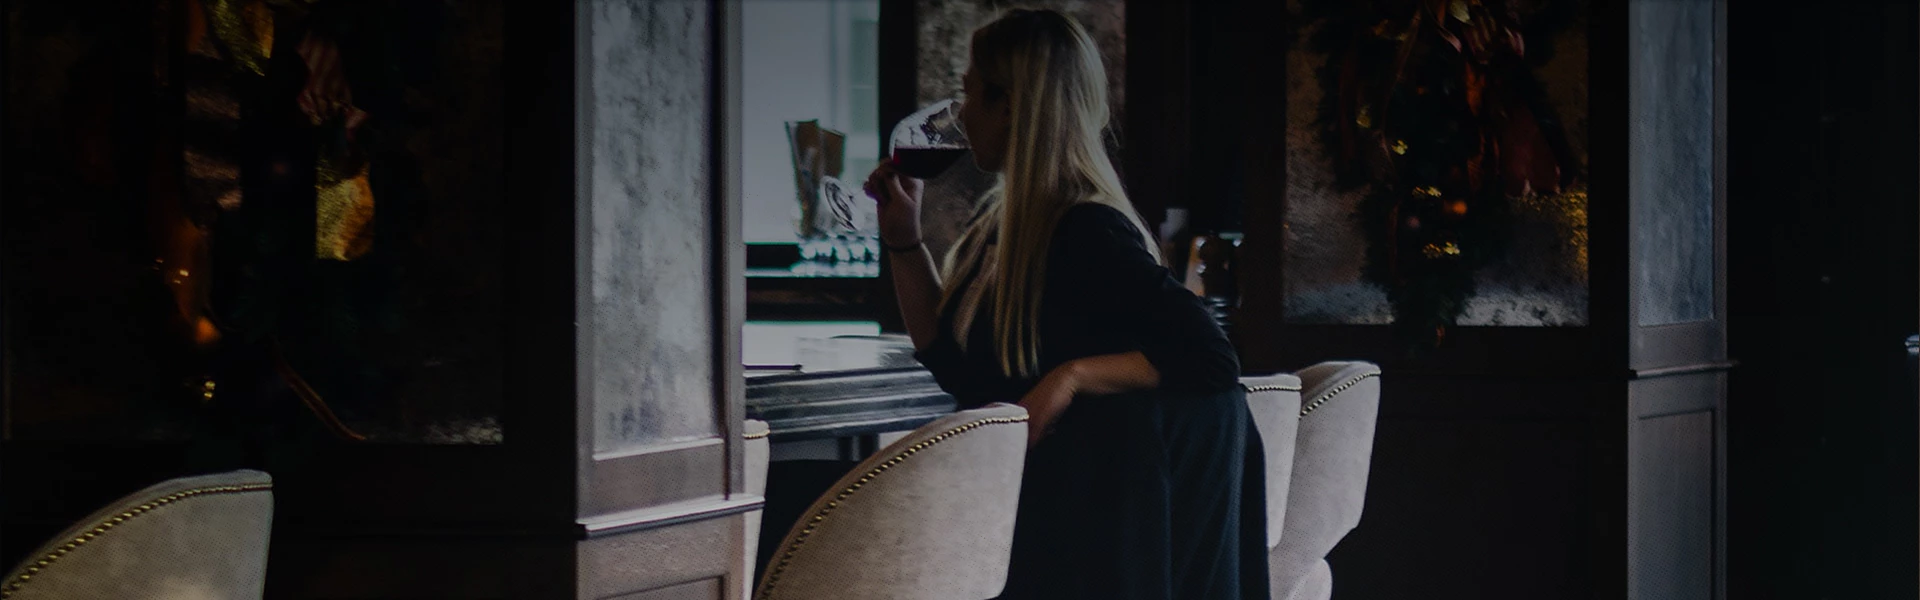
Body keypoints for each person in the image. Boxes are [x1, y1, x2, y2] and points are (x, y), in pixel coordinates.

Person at [864, 8, 1269, 600]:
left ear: (1012, 107)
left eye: (971, 93)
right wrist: (904, 237)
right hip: (1026, 523)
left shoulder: (1085, 227)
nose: (960, 112)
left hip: (1070, 544)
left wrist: (1072, 377)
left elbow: (1211, 356)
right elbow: (948, 359)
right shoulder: (1005, 224)